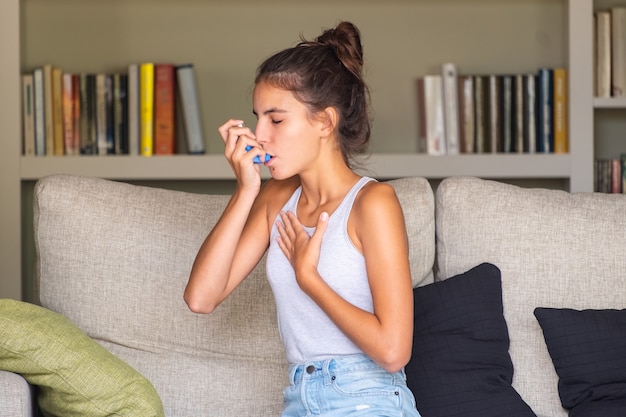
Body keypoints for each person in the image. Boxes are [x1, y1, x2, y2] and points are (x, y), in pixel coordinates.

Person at [184, 21, 421, 417]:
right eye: (257, 118)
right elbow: (201, 298)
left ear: (325, 122)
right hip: (298, 399)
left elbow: (394, 352)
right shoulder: (278, 198)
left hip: (366, 397)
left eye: (276, 120)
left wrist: (309, 278)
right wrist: (246, 190)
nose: (259, 134)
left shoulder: (373, 203)